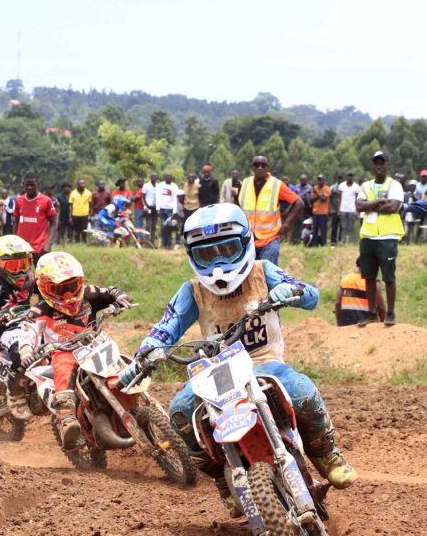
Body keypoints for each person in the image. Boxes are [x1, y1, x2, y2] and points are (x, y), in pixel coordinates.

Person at [116, 204, 357, 518]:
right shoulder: (193, 291)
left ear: (245, 243)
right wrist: (144, 354)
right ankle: (222, 479)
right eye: (206, 254)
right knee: (180, 411)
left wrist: (289, 289)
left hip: (263, 361)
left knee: (302, 391)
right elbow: (167, 325)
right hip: (214, 372)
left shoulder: (262, 271)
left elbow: (310, 295)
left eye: (227, 250)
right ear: (192, 255)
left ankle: (327, 455)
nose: (217, 262)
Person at [17, 252, 132, 448]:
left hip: (95, 345)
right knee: (63, 366)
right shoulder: (40, 311)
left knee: (124, 359)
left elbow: (109, 292)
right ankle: (66, 418)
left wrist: (119, 297)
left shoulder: (89, 293)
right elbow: (27, 333)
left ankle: (134, 394)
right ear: (45, 288)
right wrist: (27, 353)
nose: (68, 295)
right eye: (60, 289)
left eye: (71, 286)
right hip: (65, 351)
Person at [0, 235, 37, 420]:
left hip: (29, 323)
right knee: (19, 352)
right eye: (14, 266)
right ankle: (16, 394)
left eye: (23, 264)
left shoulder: (30, 279)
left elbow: (46, 293)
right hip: (6, 330)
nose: (20, 271)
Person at [355, 151, 403, 327]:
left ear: (387, 165)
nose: (379, 166)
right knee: (368, 277)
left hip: (387, 237)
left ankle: (390, 313)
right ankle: (371, 313)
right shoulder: (365, 185)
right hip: (368, 236)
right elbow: (359, 206)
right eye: (376, 163)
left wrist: (370, 205)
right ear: (372, 166)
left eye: (382, 163)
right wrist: (379, 202)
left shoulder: (395, 185)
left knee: (388, 277)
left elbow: (393, 207)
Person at [236, 154, 302, 264]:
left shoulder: (276, 184)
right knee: (251, 278)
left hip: (270, 240)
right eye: (257, 165)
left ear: (268, 168)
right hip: (248, 241)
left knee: (266, 275)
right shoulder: (244, 184)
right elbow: (237, 207)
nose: (260, 168)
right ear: (252, 168)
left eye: (263, 165)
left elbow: (299, 203)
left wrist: (286, 224)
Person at [14, 172, 57, 265]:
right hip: (22, 248)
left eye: (32, 185)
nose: (29, 187)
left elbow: (54, 223)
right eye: (27, 185)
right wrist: (15, 240)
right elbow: (16, 222)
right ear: (23, 185)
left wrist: (49, 244)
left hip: (40, 248)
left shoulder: (46, 201)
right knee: (22, 276)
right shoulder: (18, 201)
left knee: (43, 276)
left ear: (38, 184)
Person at [334, 257, 385, 327]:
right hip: (365, 327)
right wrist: (383, 324)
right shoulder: (373, 283)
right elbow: (381, 307)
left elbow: (337, 303)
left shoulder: (345, 280)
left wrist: (339, 323)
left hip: (345, 325)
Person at [155, 172, 181, 249]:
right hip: (162, 210)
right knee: (163, 227)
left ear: (172, 178)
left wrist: (174, 211)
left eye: (170, 177)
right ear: (164, 177)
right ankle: (164, 244)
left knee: (170, 227)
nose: (168, 178)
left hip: (170, 210)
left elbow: (175, 199)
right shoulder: (160, 185)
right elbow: (158, 197)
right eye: (167, 177)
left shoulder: (175, 186)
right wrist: (157, 208)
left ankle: (169, 244)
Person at [335, 171, 361, 246]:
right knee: (343, 227)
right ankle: (342, 241)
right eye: (349, 176)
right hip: (343, 209)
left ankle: (350, 242)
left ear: (353, 177)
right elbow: (339, 198)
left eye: (351, 176)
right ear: (346, 177)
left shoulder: (356, 186)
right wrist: (338, 209)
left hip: (352, 210)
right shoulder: (341, 186)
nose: (350, 177)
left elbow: (357, 199)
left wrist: (357, 211)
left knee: (350, 227)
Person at [68, 179, 92, 244]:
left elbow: (90, 205)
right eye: (81, 184)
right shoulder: (73, 193)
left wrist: (90, 215)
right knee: (76, 231)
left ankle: (84, 242)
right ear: (77, 185)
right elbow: (70, 205)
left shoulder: (88, 193)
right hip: (75, 215)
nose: (83, 185)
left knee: (84, 230)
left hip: (85, 214)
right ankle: (77, 243)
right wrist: (70, 216)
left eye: (84, 184)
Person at [291, 174, 312, 244]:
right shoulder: (296, 187)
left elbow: (309, 198)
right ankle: (295, 240)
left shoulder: (309, 188)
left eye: (304, 180)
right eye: (301, 180)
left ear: (307, 180)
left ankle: (303, 240)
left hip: (305, 209)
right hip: (296, 208)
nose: (302, 181)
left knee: (303, 225)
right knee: (296, 225)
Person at [309, 174, 330, 247]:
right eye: (318, 179)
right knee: (315, 230)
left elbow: (324, 199)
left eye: (321, 179)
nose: (319, 181)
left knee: (323, 230)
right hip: (315, 212)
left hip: (323, 213)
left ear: (323, 180)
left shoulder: (326, 188)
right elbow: (311, 199)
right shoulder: (315, 188)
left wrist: (317, 193)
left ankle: (324, 244)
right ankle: (315, 244)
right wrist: (318, 194)